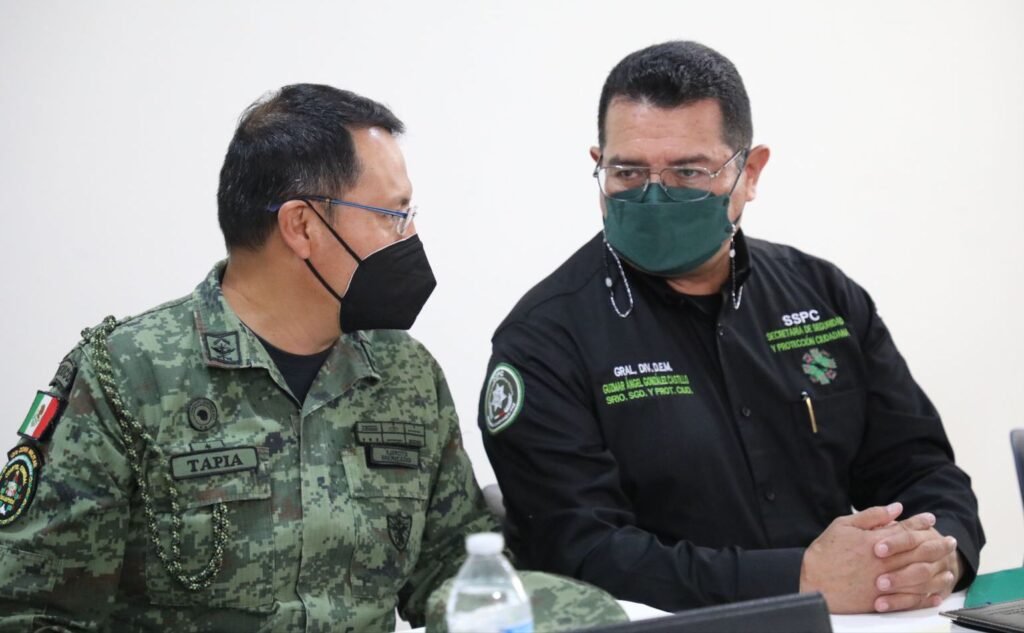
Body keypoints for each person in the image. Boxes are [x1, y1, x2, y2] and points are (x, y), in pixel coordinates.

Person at [478, 41, 984, 615]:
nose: (654, 194)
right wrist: (796, 579)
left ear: (751, 171)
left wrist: (937, 556)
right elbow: (582, 553)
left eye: (689, 171)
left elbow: (920, 469)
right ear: (599, 164)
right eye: (628, 171)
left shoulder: (824, 297)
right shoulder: (545, 340)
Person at [0, 84, 497, 632]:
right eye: (393, 214)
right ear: (302, 226)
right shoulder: (126, 376)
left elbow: (454, 567)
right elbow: (31, 609)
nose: (411, 235)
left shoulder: (405, 374)